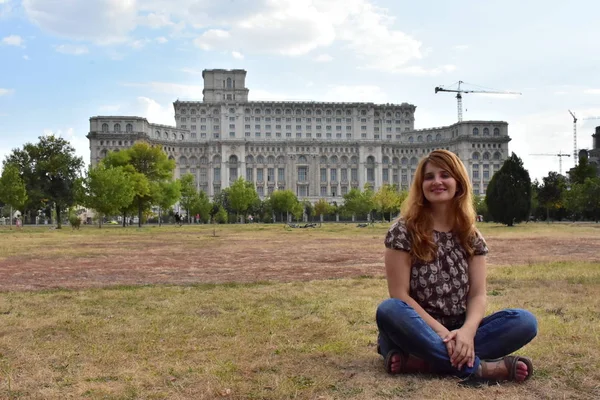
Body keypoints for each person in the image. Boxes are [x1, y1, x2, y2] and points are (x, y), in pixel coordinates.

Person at [376, 149, 537, 383]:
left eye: (445, 175)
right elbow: (400, 295)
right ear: (421, 185)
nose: (437, 182)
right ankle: (482, 370)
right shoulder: (402, 232)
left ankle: (424, 362)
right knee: (389, 309)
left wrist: (467, 333)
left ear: (458, 183)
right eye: (429, 177)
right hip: (416, 328)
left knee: (525, 322)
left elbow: (478, 295)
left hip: (461, 327)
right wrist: (443, 335)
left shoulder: (471, 236)